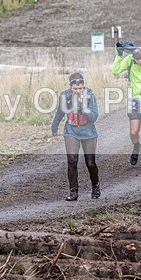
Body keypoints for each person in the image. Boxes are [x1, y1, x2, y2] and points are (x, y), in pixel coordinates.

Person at [51, 73, 100, 201]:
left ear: (84, 86)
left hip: (88, 132)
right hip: (71, 130)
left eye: (80, 88)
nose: (78, 91)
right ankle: (73, 191)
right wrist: (54, 126)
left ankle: (95, 185)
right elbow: (60, 111)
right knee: (72, 160)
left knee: (90, 163)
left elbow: (94, 117)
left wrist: (82, 106)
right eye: (75, 89)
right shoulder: (65, 95)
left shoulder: (90, 95)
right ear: (70, 87)